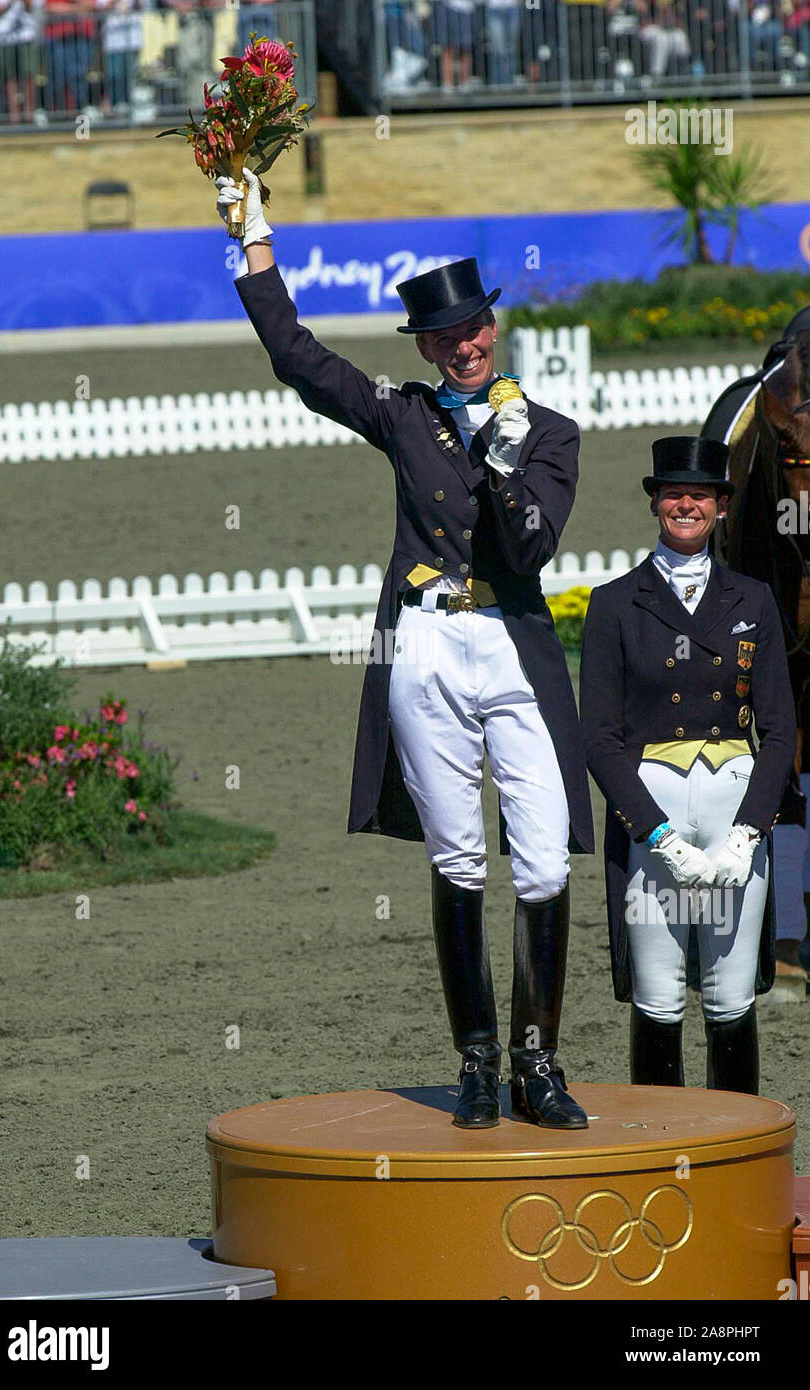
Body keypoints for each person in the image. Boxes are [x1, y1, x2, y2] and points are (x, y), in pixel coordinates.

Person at [217, 169, 595, 1130]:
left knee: (545, 860)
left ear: (492, 331)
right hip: (425, 644)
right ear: (427, 348)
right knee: (460, 858)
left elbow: (531, 547)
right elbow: (301, 362)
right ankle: (476, 1061)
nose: (464, 347)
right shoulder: (403, 415)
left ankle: (538, 1064)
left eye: (476, 331)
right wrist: (254, 246)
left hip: (511, 646)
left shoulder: (549, 434)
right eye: (446, 338)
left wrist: (501, 462)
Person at [580, 437, 795, 1095]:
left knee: (730, 997)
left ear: (721, 507)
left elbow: (781, 729)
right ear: (654, 502)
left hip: (733, 814)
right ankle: (657, 1144)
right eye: (673, 493)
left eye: (700, 494)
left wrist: (749, 832)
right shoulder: (615, 604)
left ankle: (737, 1158)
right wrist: (657, 837)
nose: (686, 504)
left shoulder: (753, 600)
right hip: (656, 818)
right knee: (659, 994)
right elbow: (598, 736)